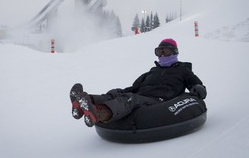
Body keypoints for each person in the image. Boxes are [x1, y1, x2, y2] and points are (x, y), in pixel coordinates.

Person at [70, 38, 207, 127]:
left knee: (129, 99)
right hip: (142, 96)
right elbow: (135, 87)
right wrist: (119, 92)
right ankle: (85, 101)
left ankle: (99, 113)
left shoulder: (183, 71)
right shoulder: (152, 71)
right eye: (158, 52)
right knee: (118, 93)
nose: (161, 55)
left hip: (159, 101)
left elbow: (196, 85)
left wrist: (198, 89)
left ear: (174, 52)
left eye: (165, 51)